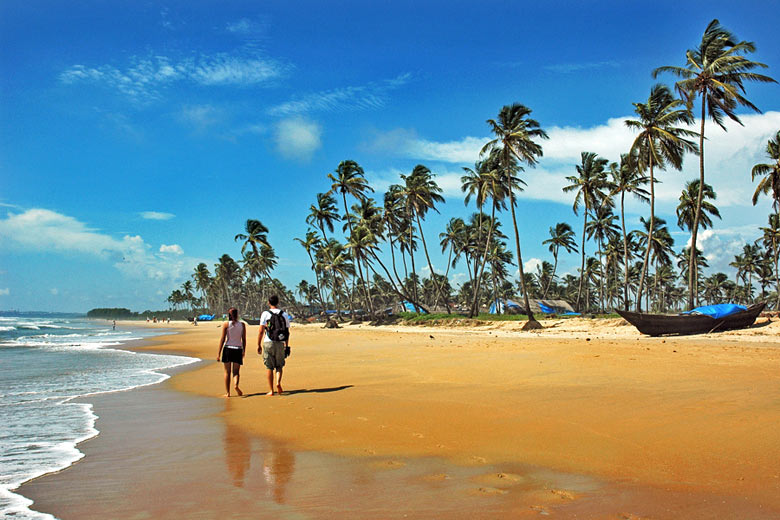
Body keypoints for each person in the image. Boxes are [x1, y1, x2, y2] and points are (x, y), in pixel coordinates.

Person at [257, 295, 290, 396]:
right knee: (279, 365)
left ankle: (271, 390)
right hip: (280, 342)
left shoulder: (265, 314)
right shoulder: (284, 314)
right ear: (278, 302)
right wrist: (286, 345)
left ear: (268, 303)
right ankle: (278, 383)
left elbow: (261, 330)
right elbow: (287, 332)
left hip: (268, 342)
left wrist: (258, 344)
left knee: (269, 367)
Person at [217, 307, 246, 398]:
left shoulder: (226, 324)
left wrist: (218, 353)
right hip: (238, 349)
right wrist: (243, 350)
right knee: (236, 371)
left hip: (228, 349)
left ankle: (228, 393)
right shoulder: (242, 325)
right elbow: (244, 339)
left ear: (228, 315)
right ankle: (236, 385)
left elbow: (222, 339)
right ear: (237, 314)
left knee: (227, 372)